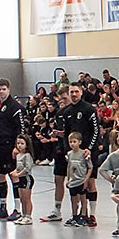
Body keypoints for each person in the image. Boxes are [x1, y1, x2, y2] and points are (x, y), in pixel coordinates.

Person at [0, 78, 26, 221]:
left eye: (3, 89)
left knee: (13, 175)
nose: (1, 92)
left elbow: (21, 128)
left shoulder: (15, 107)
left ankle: (17, 209)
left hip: (9, 145)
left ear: (9, 89)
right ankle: (3, 207)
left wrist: (17, 146)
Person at [66, 82, 101, 227]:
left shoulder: (89, 109)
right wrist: (67, 151)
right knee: (76, 183)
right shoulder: (67, 111)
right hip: (74, 154)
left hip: (88, 152)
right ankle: (79, 215)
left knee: (90, 183)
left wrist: (89, 148)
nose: (74, 94)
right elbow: (66, 134)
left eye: (76, 91)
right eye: (71, 92)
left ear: (81, 92)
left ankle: (91, 214)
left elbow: (96, 131)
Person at [41, 85, 70, 222]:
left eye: (65, 99)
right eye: (61, 100)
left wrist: (62, 133)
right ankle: (57, 210)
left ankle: (81, 212)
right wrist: (56, 134)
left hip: (74, 150)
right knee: (58, 180)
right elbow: (60, 131)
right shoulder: (59, 113)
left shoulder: (79, 111)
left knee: (76, 183)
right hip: (60, 149)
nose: (63, 102)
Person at [64, 132, 92, 227]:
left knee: (83, 199)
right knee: (73, 199)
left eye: (74, 141)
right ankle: (74, 216)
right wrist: (68, 179)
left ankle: (83, 216)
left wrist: (86, 179)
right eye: (70, 142)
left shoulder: (84, 154)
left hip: (81, 180)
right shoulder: (69, 154)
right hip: (73, 181)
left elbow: (90, 167)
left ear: (79, 142)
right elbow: (68, 167)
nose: (72, 144)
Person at [9, 134, 35, 225]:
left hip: (26, 179)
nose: (19, 145)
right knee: (22, 199)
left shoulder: (27, 155)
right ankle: (23, 215)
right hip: (20, 179)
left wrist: (18, 174)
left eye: (22, 143)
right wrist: (14, 172)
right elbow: (18, 167)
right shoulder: (18, 155)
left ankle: (28, 216)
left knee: (27, 199)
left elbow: (27, 168)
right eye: (18, 143)